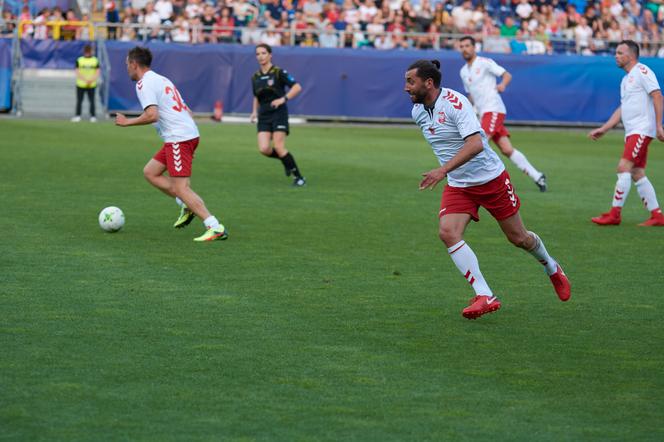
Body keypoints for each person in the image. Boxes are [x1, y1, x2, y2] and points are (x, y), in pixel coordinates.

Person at [405, 59, 571, 319]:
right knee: (448, 233)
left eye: (410, 82)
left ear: (428, 83)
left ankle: (552, 267)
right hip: (459, 184)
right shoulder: (417, 112)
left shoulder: (455, 103)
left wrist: (442, 170)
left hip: (491, 179)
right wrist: (449, 172)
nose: (406, 88)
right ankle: (485, 294)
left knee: (519, 238)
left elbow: (475, 145)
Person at [115, 46, 228, 242]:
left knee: (181, 187)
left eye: (127, 65)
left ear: (134, 64)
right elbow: (187, 110)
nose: (127, 69)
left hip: (179, 138)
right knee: (150, 172)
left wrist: (127, 122)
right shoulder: (162, 79)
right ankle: (185, 204)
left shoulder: (144, 84)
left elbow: (152, 115)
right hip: (184, 135)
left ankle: (214, 226)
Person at [589, 40, 664, 226]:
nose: (616, 55)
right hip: (633, 132)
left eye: (620, 53)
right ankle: (657, 216)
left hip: (642, 129)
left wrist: (659, 125)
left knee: (623, 167)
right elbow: (623, 109)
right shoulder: (625, 80)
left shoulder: (642, 71)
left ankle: (614, 214)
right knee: (637, 172)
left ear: (630, 56)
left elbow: (657, 95)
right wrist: (604, 129)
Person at [458, 36, 548, 191]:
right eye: (462, 46)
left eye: (467, 45)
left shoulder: (484, 63)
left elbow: (507, 74)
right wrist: (469, 111)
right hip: (483, 113)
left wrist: (502, 85)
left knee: (479, 143)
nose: (464, 49)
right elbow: (470, 95)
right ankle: (538, 176)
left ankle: (476, 181)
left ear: (474, 47)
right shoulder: (463, 71)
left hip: (493, 108)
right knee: (506, 149)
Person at [250, 43, 306, 186]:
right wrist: (254, 112)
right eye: (258, 54)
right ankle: (285, 160)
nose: (260, 56)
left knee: (279, 147)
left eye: (263, 53)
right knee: (264, 149)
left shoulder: (278, 72)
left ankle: (299, 178)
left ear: (270, 55)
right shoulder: (255, 76)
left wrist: (283, 99)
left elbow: (297, 87)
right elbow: (256, 96)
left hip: (278, 113)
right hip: (264, 115)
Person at [71, 45, 99, 123]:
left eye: (88, 51)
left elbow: (97, 72)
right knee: (79, 101)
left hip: (91, 84)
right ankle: (77, 116)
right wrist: (85, 80)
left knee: (92, 101)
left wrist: (91, 80)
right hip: (81, 84)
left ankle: (93, 116)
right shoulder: (79, 60)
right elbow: (77, 72)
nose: (87, 53)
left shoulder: (95, 60)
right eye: (86, 52)